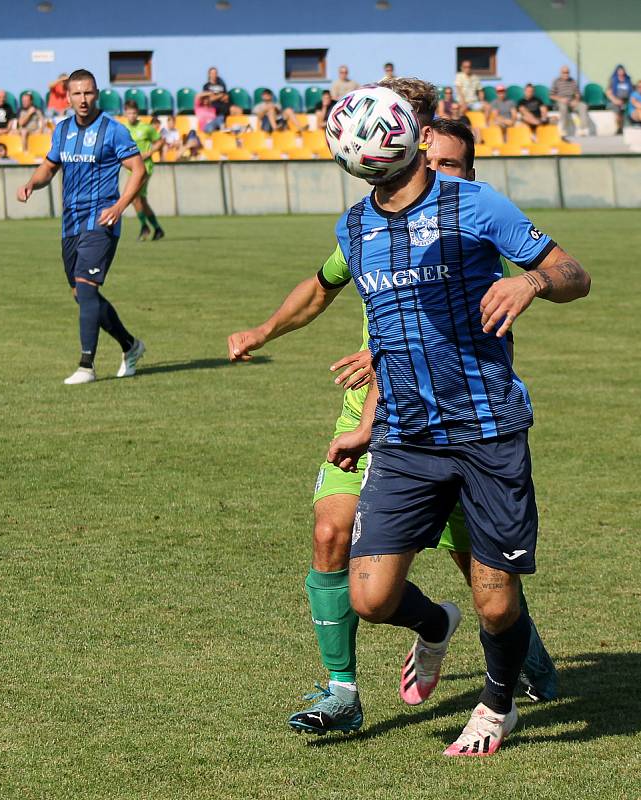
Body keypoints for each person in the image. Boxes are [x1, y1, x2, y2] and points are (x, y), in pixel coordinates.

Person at [228, 83, 564, 743]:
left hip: (482, 426)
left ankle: (503, 687)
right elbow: (377, 326)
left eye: (450, 163)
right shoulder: (355, 229)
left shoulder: (475, 211)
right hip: (399, 431)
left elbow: (567, 272)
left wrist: (528, 280)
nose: (436, 169)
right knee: (360, 576)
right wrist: (360, 415)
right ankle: (375, 668)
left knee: (490, 589)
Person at [16, 69, 148, 385]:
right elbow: (49, 166)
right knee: (82, 295)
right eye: (77, 94)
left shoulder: (113, 131)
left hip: (101, 222)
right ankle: (131, 346)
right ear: (69, 96)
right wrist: (32, 183)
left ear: (97, 93)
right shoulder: (62, 130)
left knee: (87, 290)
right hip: (71, 224)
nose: (83, 99)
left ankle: (86, 366)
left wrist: (118, 207)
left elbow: (138, 170)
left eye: (88, 93)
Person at [122, 100, 165, 242]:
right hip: (131, 168)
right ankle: (157, 228)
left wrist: (149, 152)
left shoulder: (146, 128)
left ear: (137, 113)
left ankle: (144, 227)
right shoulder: (123, 129)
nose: (132, 116)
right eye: (129, 113)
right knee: (140, 200)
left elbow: (159, 141)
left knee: (134, 197)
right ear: (125, 113)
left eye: (134, 113)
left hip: (145, 167)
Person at [550, 66, 593, 137]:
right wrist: (561, 99)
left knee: (583, 106)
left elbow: (577, 93)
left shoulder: (572, 81)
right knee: (563, 107)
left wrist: (576, 100)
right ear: (561, 73)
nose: (566, 74)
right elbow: (551, 95)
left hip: (571, 101)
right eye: (564, 72)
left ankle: (583, 129)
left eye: (567, 72)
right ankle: (563, 129)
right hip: (561, 101)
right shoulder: (556, 81)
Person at [196, 67, 242, 132]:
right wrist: (220, 95)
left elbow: (226, 97)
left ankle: (237, 127)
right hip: (214, 107)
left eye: (215, 73)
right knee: (220, 117)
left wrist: (217, 96)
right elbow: (210, 99)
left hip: (224, 105)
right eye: (212, 73)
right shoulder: (206, 86)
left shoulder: (222, 84)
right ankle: (223, 128)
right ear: (209, 74)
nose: (214, 74)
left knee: (238, 110)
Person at [606, 65, 633, 134]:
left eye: (622, 70)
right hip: (615, 101)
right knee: (618, 110)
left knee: (628, 108)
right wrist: (615, 100)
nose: (621, 72)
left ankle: (630, 127)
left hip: (626, 100)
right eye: (619, 70)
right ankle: (619, 128)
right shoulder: (613, 80)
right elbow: (608, 92)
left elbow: (631, 92)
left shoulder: (628, 79)